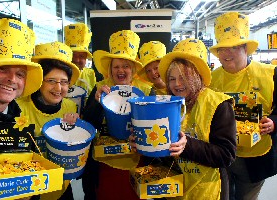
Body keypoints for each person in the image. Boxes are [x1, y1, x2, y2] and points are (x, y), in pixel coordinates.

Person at [130, 38, 237, 200]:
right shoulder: (166, 103)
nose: (177, 84)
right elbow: (163, 150)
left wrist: (187, 145)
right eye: (172, 79)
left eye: (183, 77)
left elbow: (226, 155)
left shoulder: (219, 105)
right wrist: (143, 143)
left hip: (207, 191)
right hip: (174, 189)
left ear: (197, 76)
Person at [208, 12, 277, 200]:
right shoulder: (210, 79)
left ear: (246, 48)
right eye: (222, 49)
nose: (226, 53)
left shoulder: (270, 75)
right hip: (221, 156)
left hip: (256, 157)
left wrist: (273, 122)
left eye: (234, 47)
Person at [82, 30, 153, 200]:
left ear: (133, 69)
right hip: (105, 163)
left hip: (136, 162)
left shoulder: (145, 91)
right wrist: (98, 103)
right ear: (110, 69)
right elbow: (88, 123)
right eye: (116, 66)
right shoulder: (100, 88)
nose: (121, 70)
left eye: (126, 66)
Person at [0, 18, 43, 200]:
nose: (12, 79)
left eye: (20, 74)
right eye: (3, 68)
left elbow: (33, 175)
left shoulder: (20, 120)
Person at [16, 41, 80, 200]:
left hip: (62, 187)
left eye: (64, 82)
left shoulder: (70, 106)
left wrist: (77, 130)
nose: (58, 88)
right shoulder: (18, 108)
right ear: (39, 81)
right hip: (29, 190)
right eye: (51, 81)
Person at [64, 23, 96, 101]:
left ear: (86, 58)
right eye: (73, 55)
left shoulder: (93, 75)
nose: (77, 60)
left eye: (81, 56)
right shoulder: (58, 74)